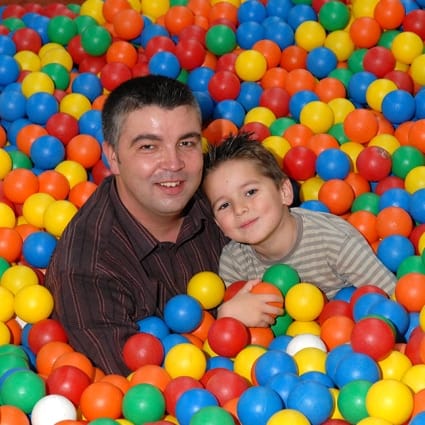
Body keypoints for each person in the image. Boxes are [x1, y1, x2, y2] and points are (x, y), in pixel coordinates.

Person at [44, 75, 230, 375]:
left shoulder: (224, 193)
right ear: (113, 158)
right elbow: (143, 389)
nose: (173, 163)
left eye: (186, 143)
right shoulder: (87, 271)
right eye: (148, 147)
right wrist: (229, 320)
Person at [202, 132, 397, 321]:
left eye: (250, 192)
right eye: (224, 205)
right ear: (219, 224)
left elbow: (394, 300)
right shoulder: (234, 261)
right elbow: (231, 326)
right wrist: (227, 314)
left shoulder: (335, 242)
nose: (240, 209)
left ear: (284, 192)